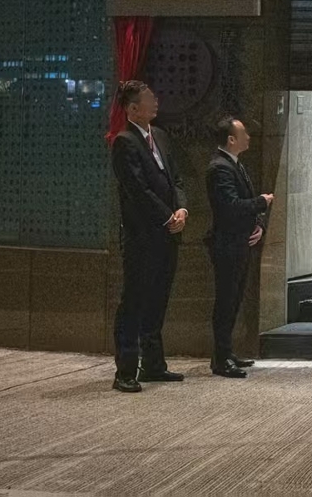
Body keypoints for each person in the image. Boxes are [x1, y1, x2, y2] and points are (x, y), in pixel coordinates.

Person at [111, 81, 188, 392]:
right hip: (142, 237)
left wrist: (181, 209)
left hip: (168, 236)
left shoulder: (161, 136)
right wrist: (167, 216)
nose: (155, 101)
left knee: (158, 300)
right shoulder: (124, 142)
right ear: (133, 109)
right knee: (134, 302)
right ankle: (125, 371)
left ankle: (154, 365)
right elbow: (137, 190)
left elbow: (176, 178)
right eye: (148, 99)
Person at [205, 116, 273, 378]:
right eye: (243, 133)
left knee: (234, 300)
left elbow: (244, 204)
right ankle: (221, 359)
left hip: (240, 243)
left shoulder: (234, 164)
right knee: (226, 301)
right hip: (228, 245)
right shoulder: (220, 168)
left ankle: (226, 352)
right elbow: (231, 207)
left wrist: (259, 225)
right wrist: (262, 202)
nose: (248, 137)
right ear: (231, 139)